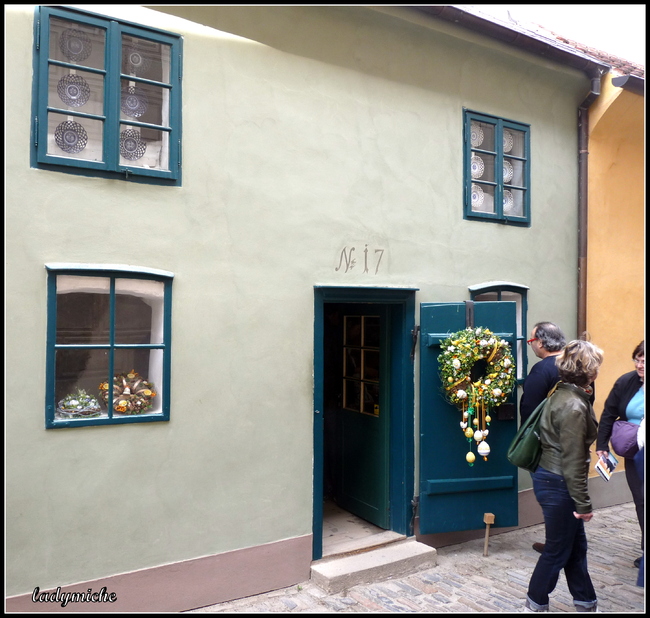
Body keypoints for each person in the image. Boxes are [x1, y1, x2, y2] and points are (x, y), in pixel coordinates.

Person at [525, 339, 603, 613]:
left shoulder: (564, 392)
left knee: (576, 546)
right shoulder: (573, 405)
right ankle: (535, 603)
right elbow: (572, 461)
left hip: (552, 478)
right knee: (557, 550)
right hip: (559, 482)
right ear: (590, 370)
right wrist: (583, 504)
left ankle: (585, 600)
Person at [596, 341, 644, 569]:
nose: (640, 365)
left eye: (645, 361)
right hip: (636, 453)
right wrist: (601, 444)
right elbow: (608, 414)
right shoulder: (626, 382)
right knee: (641, 500)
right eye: (637, 359)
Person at [519, 322, 566, 555]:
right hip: (571, 439)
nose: (532, 346)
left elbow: (529, 408)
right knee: (567, 491)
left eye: (531, 341)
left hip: (546, 443)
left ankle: (555, 542)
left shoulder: (542, 369)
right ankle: (568, 536)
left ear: (541, 342)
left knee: (548, 493)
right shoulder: (575, 365)